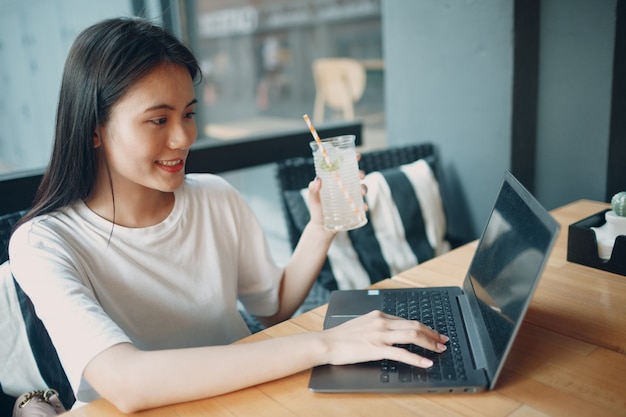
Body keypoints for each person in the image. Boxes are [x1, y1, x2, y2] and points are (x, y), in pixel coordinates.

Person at [9, 17, 449, 413]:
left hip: (248, 398)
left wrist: (322, 226)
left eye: (189, 114)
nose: (184, 138)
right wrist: (328, 344)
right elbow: (128, 383)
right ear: (93, 129)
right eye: (158, 120)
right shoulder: (43, 242)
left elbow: (273, 306)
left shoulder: (215, 197)